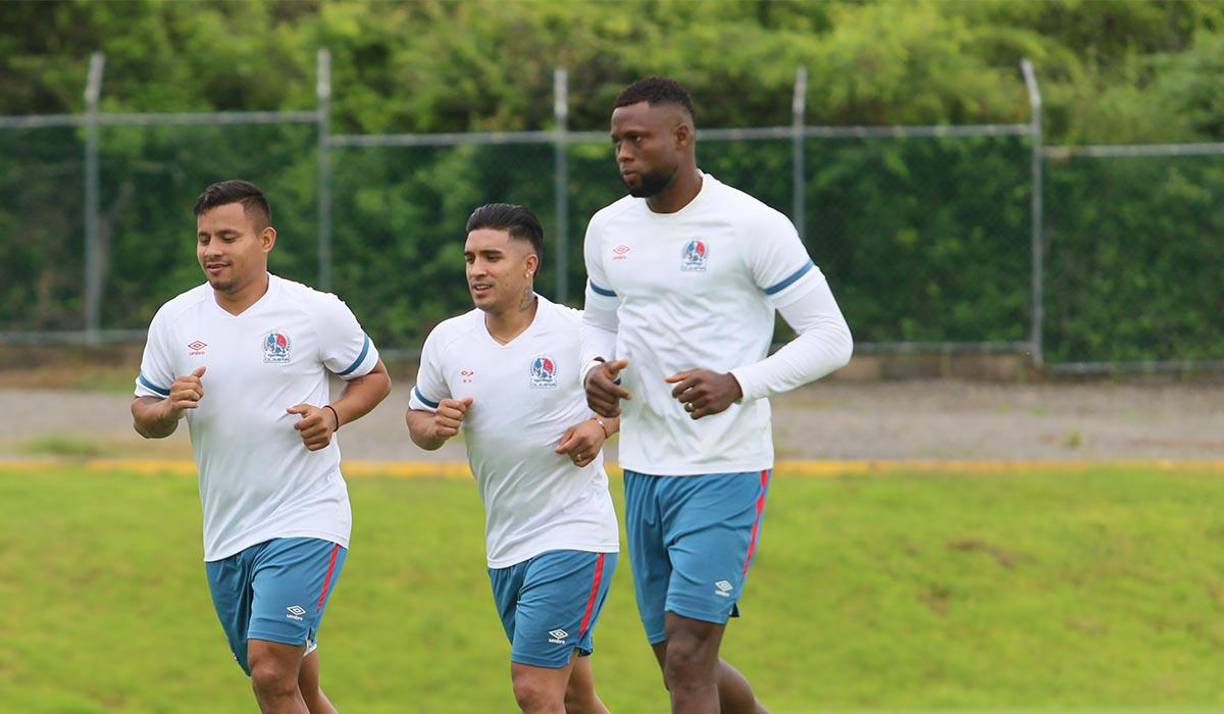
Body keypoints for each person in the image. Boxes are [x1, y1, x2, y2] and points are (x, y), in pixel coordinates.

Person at [580, 77, 854, 713]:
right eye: (617, 141)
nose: (623, 153)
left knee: (688, 657)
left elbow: (831, 337)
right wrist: (593, 369)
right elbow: (598, 323)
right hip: (643, 469)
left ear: (682, 137)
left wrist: (739, 384)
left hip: (724, 468)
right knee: (673, 659)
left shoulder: (752, 225)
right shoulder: (607, 228)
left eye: (638, 139)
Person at [131, 179, 391, 714]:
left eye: (227, 237)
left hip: (306, 517)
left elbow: (375, 377)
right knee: (297, 687)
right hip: (226, 533)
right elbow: (144, 414)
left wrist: (332, 416)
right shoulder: (175, 319)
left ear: (265, 239)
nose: (212, 250)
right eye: (204, 238)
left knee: (271, 671)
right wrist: (170, 408)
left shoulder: (314, 311)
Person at [406, 203, 620, 714]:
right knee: (575, 696)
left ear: (529, 265)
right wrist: (435, 427)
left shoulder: (578, 332)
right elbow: (417, 417)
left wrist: (599, 427)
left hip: (574, 534)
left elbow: (636, 399)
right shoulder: (448, 340)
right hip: (505, 546)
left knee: (533, 688)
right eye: (470, 258)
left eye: (492, 258)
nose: (477, 270)